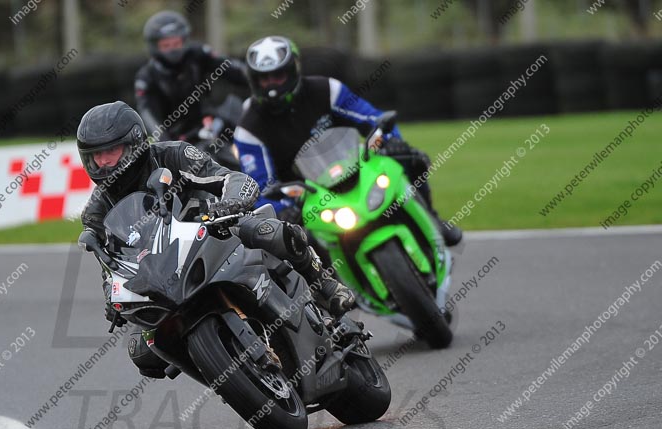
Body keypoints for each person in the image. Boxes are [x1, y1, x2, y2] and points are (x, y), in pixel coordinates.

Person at [78, 101, 355, 379]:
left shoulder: (173, 154)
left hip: (215, 229)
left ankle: (326, 286)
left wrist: (231, 203)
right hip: (162, 273)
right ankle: (227, 375)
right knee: (143, 350)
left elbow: (229, 177)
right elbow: (111, 266)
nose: (103, 163)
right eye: (95, 156)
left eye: (110, 152)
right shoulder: (95, 212)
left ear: (134, 142)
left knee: (270, 231)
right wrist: (112, 298)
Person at [233, 36, 462, 246]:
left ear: (292, 70)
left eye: (278, 76)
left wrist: (390, 140)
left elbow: (371, 117)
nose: (272, 85)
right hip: (308, 200)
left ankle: (432, 219)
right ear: (253, 81)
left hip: (355, 168)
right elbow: (259, 187)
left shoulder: (326, 89)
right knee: (285, 241)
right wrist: (282, 210)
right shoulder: (247, 128)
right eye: (264, 79)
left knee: (408, 157)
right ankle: (325, 288)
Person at [135, 10, 247, 142]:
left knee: (234, 109)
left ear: (184, 40)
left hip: (210, 125)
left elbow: (234, 70)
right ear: (155, 47)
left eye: (177, 44)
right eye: (166, 45)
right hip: (179, 140)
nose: (173, 49)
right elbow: (149, 116)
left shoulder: (197, 54)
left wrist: (258, 77)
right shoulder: (146, 77)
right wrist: (166, 144)